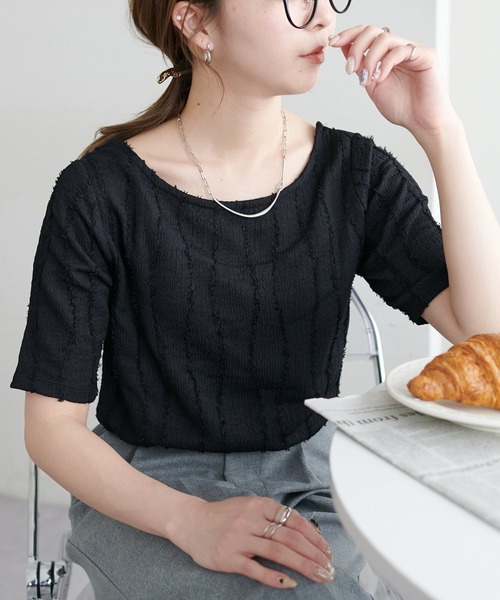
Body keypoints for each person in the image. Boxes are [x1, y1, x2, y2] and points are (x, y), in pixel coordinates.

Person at [11, 0, 500, 598]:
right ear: (195, 21)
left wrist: (440, 130)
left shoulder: (356, 175)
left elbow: (486, 333)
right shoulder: (99, 193)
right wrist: (189, 520)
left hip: (310, 479)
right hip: (148, 491)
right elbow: (52, 428)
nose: (323, 18)